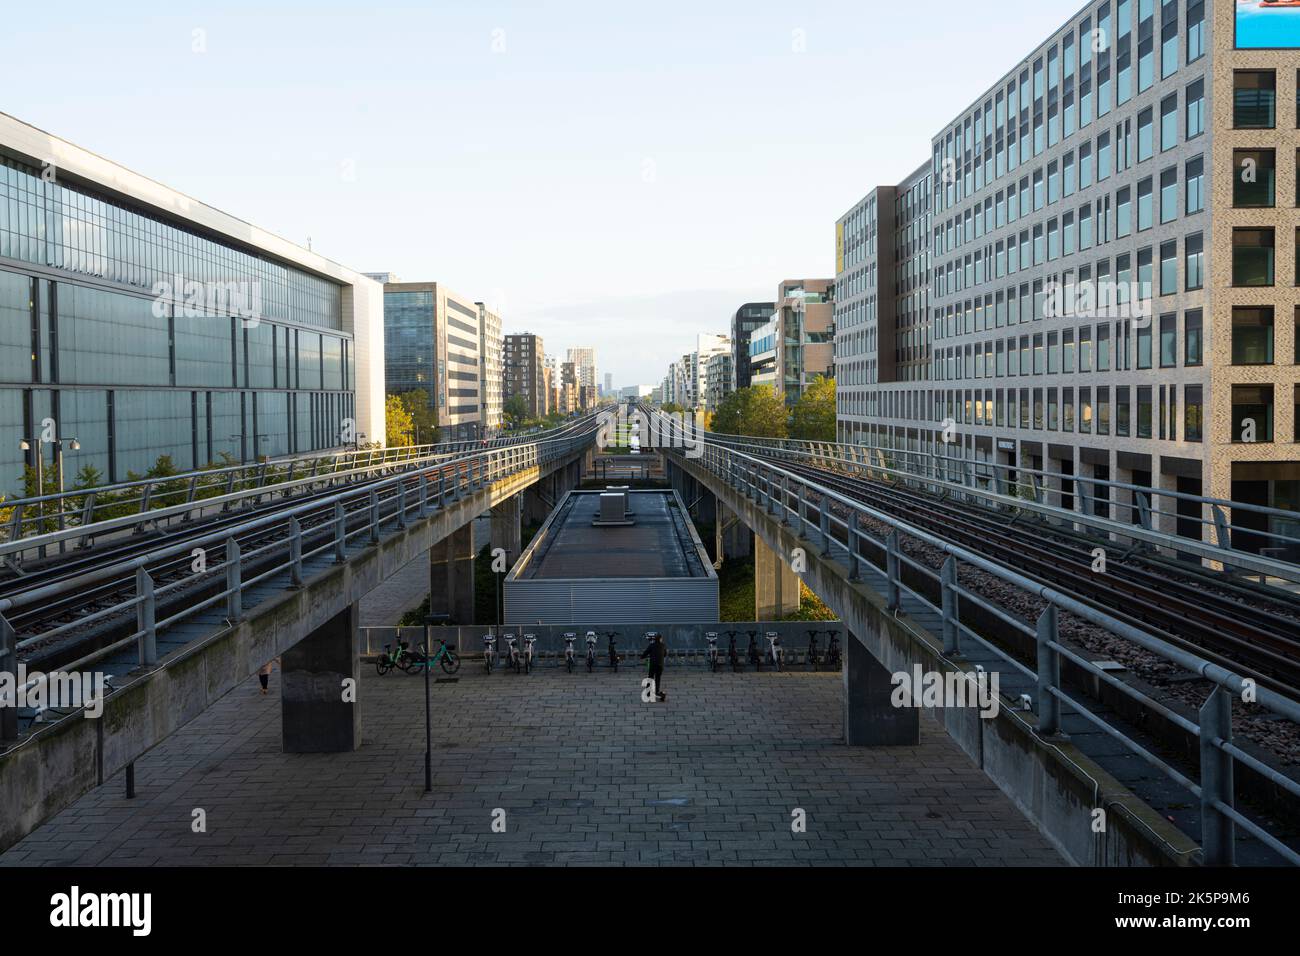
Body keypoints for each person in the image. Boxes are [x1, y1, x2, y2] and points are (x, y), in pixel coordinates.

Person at [639, 632, 667, 702]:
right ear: (660, 639)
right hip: (660, 665)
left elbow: (645, 653)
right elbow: (665, 654)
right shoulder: (663, 645)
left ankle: (648, 692)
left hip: (653, 664)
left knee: (650, 677)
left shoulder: (651, 645)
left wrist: (642, 657)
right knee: (658, 678)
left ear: (654, 639)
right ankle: (657, 691)